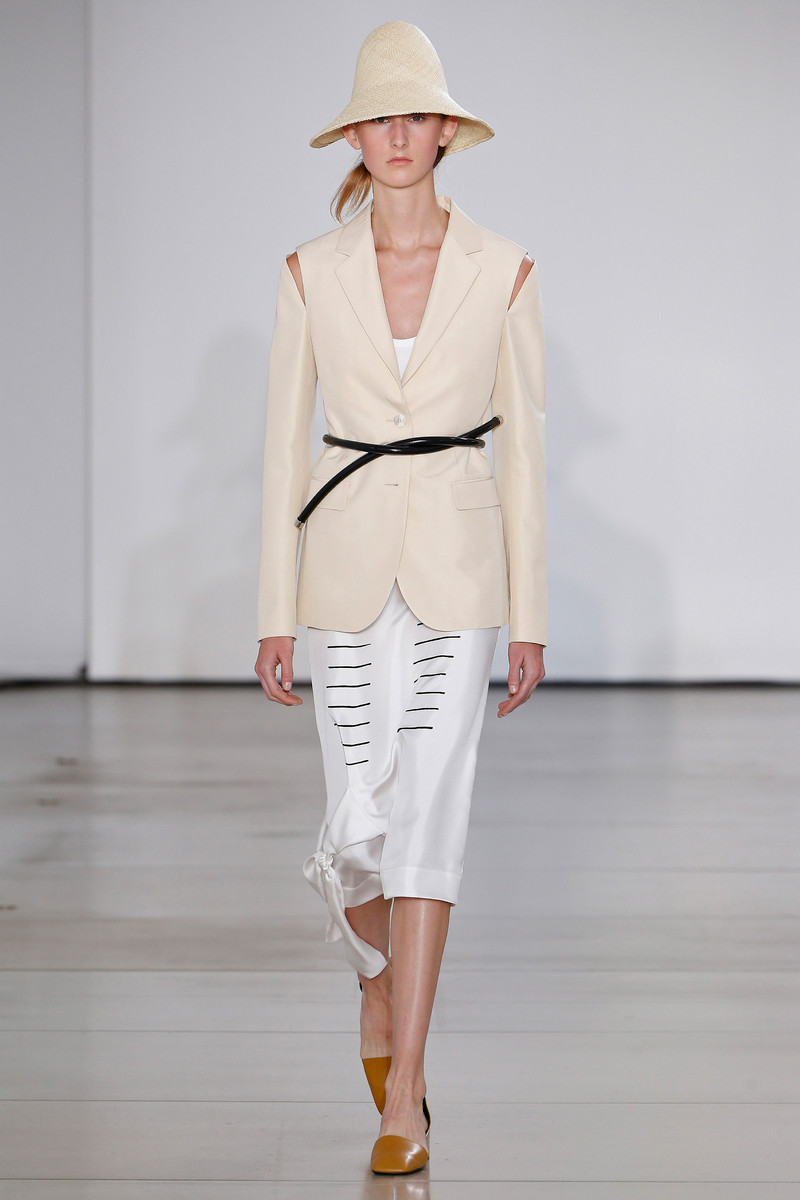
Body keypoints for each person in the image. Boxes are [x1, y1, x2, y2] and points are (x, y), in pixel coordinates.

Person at [254, 20, 546, 1176]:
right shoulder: (307, 273)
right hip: (342, 566)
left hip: (459, 574)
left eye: (414, 115)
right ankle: (376, 985)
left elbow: (525, 453)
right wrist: (273, 611)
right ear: (355, 136)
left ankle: (406, 1093)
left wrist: (528, 619)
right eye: (377, 117)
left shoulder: (502, 270)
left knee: (428, 821)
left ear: (444, 132)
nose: (396, 135)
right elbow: (280, 451)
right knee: (355, 839)